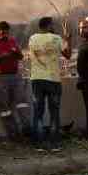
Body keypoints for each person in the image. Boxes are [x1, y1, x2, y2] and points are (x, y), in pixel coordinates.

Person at [28, 16, 71, 150]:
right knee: (54, 113)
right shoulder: (56, 38)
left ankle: (38, 144)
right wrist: (68, 40)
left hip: (36, 80)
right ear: (49, 26)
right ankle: (54, 144)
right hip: (53, 80)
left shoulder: (32, 38)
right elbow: (68, 55)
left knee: (38, 112)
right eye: (52, 25)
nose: (53, 26)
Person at [0, 21, 31, 139]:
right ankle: (13, 133)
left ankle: (27, 129)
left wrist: (15, 53)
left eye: (7, 33)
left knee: (22, 103)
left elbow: (20, 56)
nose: (5, 35)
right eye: (3, 33)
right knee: (4, 108)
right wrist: (2, 56)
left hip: (15, 77)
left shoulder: (12, 41)